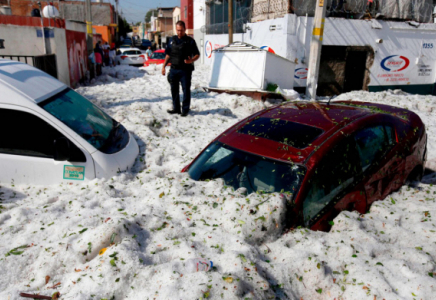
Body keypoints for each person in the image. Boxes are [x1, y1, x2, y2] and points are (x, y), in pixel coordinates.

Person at [162, 20, 200, 117]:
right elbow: (168, 55)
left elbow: (197, 54)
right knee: (174, 90)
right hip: (174, 69)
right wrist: (163, 66)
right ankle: (176, 108)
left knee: (186, 90)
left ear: (185, 29)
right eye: (178, 30)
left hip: (185, 71)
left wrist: (191, 60)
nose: (180, 32)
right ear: (176, 29)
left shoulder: (190, 41)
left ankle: (185, 110)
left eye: (181, 30)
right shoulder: (171, 40)